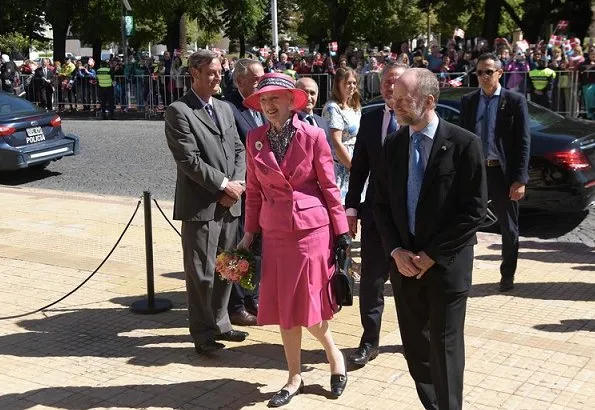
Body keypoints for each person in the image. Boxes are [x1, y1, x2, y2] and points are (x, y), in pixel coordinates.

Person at [374, 67, 487, 410]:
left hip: (446, 265)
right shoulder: (394, 143)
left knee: (445, 347)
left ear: (429, 101)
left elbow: (474, 211)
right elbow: (380, 203)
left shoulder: (465, 144)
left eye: (403, 99)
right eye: (393, 96)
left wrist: (432, 255)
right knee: (417, 349)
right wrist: (396, 251)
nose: (395, 104)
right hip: (405, 267)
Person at [238, 73, 350, 407]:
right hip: (275, 234)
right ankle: (293, 377)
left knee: (310, 308)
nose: (269, 106)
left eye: (275, 99)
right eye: (263, 101)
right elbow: (254, 191)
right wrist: (248, 234)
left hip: (311, 232)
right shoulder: (255, 138)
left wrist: (342, 232)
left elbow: (330, 187)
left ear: (291, 101)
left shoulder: (314, 136)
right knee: (286, 309)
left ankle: (334, 356)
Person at [164, 50, 249, 354]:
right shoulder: (179, 111)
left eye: (219, 72)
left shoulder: (225, 108)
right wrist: (224, 185)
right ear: (195, 74)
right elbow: (189, 160)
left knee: (229, 268)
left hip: (231, 203)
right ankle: (202, 335)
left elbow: (240, 149)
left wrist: (237, 184)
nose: (217, 77)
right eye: (212, 72)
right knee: (201, 274)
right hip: (202, 207)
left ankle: (222, 323)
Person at [345, 62, 407, 367]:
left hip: (409, 220)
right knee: (371, 282)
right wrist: (352, 208)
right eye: (385, 82)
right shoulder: (369, 118)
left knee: (408, 283)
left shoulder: (418, 119)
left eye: (395, 81)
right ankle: (369, 341)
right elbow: (358, 168)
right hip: (374, 217)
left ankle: (414, 338)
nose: (389, 86)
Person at [460, 53, 531, 292]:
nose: (483, 77)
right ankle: (462, 274)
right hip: (475, 172)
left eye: (488, 71)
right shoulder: (469, 101)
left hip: (501, 173)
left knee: (509, 228)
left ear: (500, 73)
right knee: (464, 223)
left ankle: (507, 275)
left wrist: (520, 179)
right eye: (479, 72)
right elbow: (462, 139)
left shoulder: (514, 101)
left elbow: (523, 142)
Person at [224, 58, 265, 327]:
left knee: (258, 247)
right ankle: (234, 305)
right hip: (242, 191)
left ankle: (253, 296)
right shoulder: (230, 108)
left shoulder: (262, 106)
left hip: (263, 191)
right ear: (240, 82)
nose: (261, 83)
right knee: (238, 248)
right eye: (255, 79)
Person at [322, 67, 362, 204]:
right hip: (340, 166)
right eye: (348, 83)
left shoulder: (353, 106)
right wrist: (353, 168)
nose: (352, 86)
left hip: (355, 159)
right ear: (338, 84)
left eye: (354, 83)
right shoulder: (333, 108)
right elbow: (336, 142)